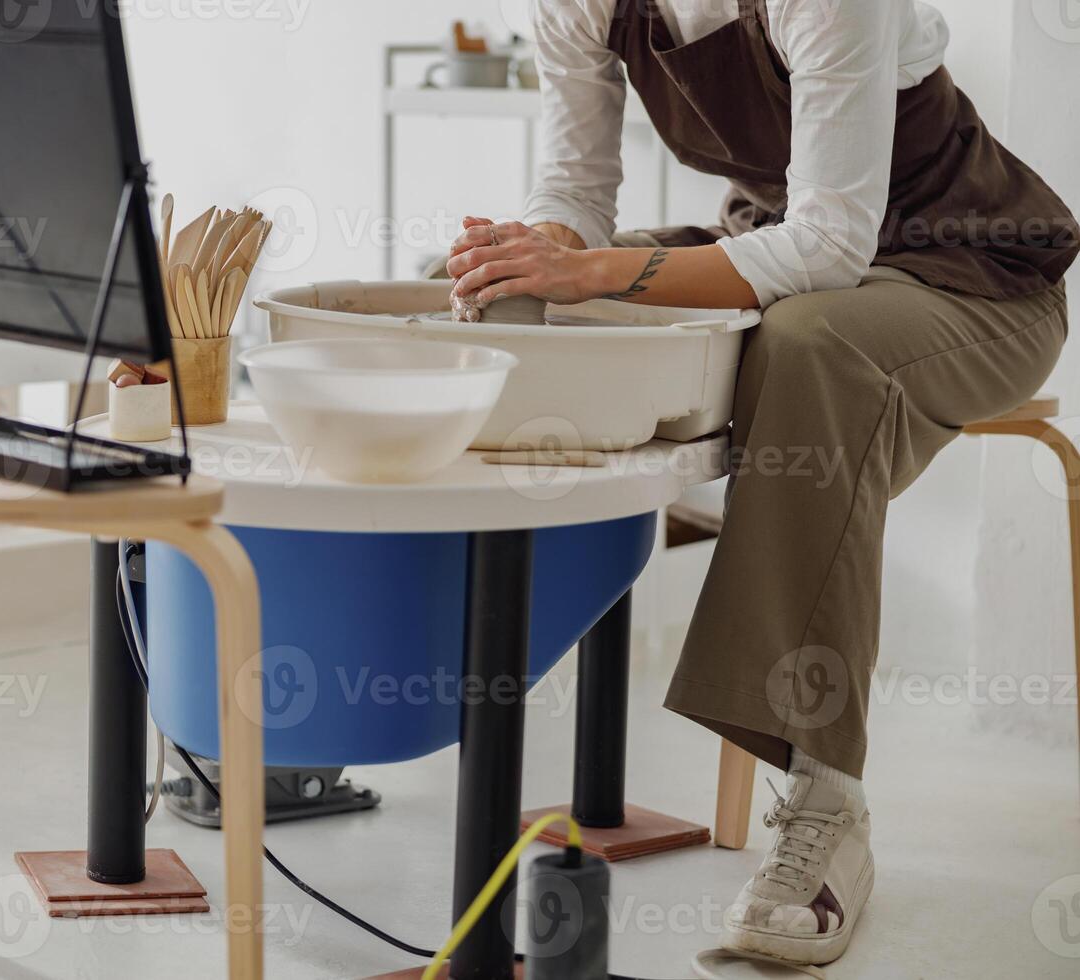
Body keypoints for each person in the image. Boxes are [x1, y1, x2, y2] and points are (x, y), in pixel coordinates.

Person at [446, 0, 1076, 967]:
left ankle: (828, 802)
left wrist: (601, 272)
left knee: (811, 349)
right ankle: (437, 667)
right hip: (786, 248)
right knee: (502, 294)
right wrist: (545, 255)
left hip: (970, 278)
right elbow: (574, 188)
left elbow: (830, 248)